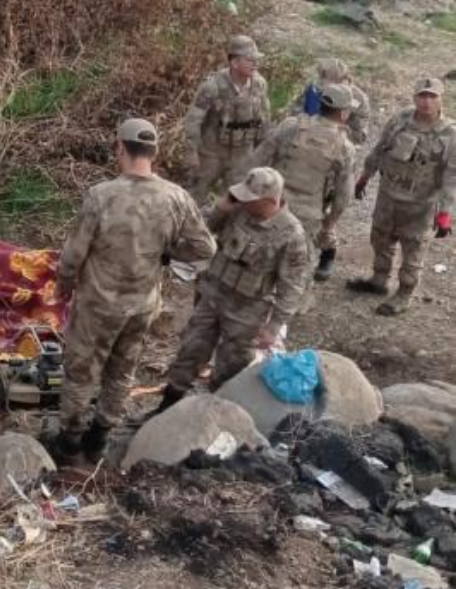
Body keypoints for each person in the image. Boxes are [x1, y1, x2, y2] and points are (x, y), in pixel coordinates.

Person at [52, 119, 216, 464]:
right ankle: (100, 439)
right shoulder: (176, 197)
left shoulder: (102, 195)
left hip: (98, 304)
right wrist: (167, 252)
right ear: (154, 152)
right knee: (122, 372)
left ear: (120, 148)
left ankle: (69, 442)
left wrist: (63, 288)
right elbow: (205, 247)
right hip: (141, 305)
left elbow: (74, 254)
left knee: (81, 372)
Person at [156, 168, 309, 412]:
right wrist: (220, 209)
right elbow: (199, 230)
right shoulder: (236, 210)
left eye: (250, 198)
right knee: (190, 349)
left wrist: (274, 326)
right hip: (212, 295)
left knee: (231, 366)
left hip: (247, 310)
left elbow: (292, 285)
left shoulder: (291, 235)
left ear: (270, 200)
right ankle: (168, 404)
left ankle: (218, 414)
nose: (243, 200)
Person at [348, 78, 456, 316]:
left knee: (413, 248)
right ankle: (378, 280)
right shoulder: (400, 120)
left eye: (432, 96)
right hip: (388, 195)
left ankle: (405, 293)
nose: (426, 101)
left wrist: (445, 213)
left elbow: (451, 176)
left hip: (421, 204)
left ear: (440, 99)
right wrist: (365, 176)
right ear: (415, 97)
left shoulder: (449, 134)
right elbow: (380, 149)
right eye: (422, 95)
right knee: (380, 237)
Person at [245, 84, 356, 283]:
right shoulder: (344, 147)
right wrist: (329, 224)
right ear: (344, 113)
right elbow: (343, 196)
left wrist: (250, 197)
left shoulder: (291, 126)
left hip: (272, 204)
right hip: (309, 215)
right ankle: (289, 307)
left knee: (257, 258)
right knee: (297, 268)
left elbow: (257, 160)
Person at [183, 35, 271, 205]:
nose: (255, 64)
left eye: (256, 59)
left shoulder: (259, 84)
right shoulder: (212, 86)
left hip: (242, 154)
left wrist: (262, 151)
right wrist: (191, 152)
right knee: (196, 195)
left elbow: (265, 119)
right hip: (211, 152)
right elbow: (193, 121)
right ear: (234, 62)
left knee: (234, 199)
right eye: (249, 60)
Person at [287, 57, 371, 146]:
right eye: (323, 80)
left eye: (335, 83)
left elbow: (360, 135)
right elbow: (295, 112)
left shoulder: (359, 98)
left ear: (344, 79)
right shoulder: (315, 89)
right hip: (310, 133)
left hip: (337, 142)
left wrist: (342, 133)